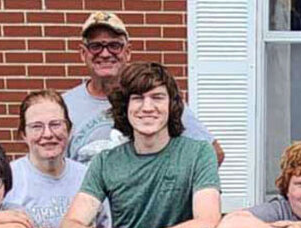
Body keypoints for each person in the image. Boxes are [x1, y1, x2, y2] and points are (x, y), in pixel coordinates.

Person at [59, 62, 221, 228]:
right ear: (125, 107)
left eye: (157, 97)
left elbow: (208, 225)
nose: (147, 107)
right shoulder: (105, 162)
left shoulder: (199, 153)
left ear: (172, 105)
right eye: (137, 98)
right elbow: (69, 226)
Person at [63, 11, 225, 165]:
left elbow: (212, 153)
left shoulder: (157, 100)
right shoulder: (64, 106)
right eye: (95, 46)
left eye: (114, 46)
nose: (105, 54)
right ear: (83, 53)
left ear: (127, 52)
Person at [4, 90, 109, 228]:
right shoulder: (7, 179)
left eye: (55, 124)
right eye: (36, 126)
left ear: (69, 129)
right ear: (23, 135)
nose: (47, 134)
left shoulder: (89, 177)